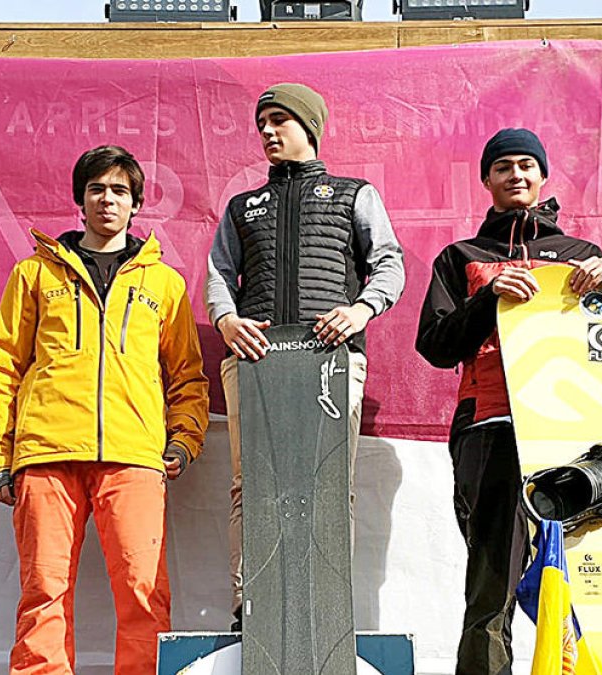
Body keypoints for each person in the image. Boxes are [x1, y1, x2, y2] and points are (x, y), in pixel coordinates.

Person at [414, 128, 602, 675]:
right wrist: (487, 298)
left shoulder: (583, 258)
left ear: (543, 176)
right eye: (503, 167)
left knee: (587, 585)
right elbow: (435, 346)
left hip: (573, 437)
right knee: (491, 589)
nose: (516, 175)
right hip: (489, 430)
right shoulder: (461, 257)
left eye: (526, 165)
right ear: (486, 181)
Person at [0, 145, 209, 675]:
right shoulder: (33, 275)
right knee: (43, 597)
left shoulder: (164, 285)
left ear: (137, 203)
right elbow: (2, 368)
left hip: (134, 457)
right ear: (80, 200)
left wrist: (183, 442)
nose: (108, 199)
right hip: (46, 455)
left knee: (145, 597)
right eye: (97, 189)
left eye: (120, 191)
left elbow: (188, 378)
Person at [205, 83, 405, 627]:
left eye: (279, 121)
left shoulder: (353, 193)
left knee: (329, 480)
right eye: (262, 123)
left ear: (308, 126)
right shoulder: (242, 206)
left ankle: (327, 598)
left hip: (332, 359)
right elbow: (219, 273)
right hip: (255, 358)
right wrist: (226, 320)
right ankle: (251, 605)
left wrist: (361, 310)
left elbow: (389, 263)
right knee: (253, 481)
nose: (267, 132)